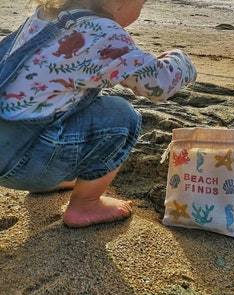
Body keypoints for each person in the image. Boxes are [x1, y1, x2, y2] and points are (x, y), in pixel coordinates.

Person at [0, 0, 197, 228]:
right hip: (25, 163)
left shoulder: (46, 15)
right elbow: (159, 83)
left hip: (8, 149)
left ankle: (50, 180)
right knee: (121, 116)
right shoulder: (103, 33)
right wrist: (181, 61)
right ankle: (86, 204)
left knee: (63, 106)